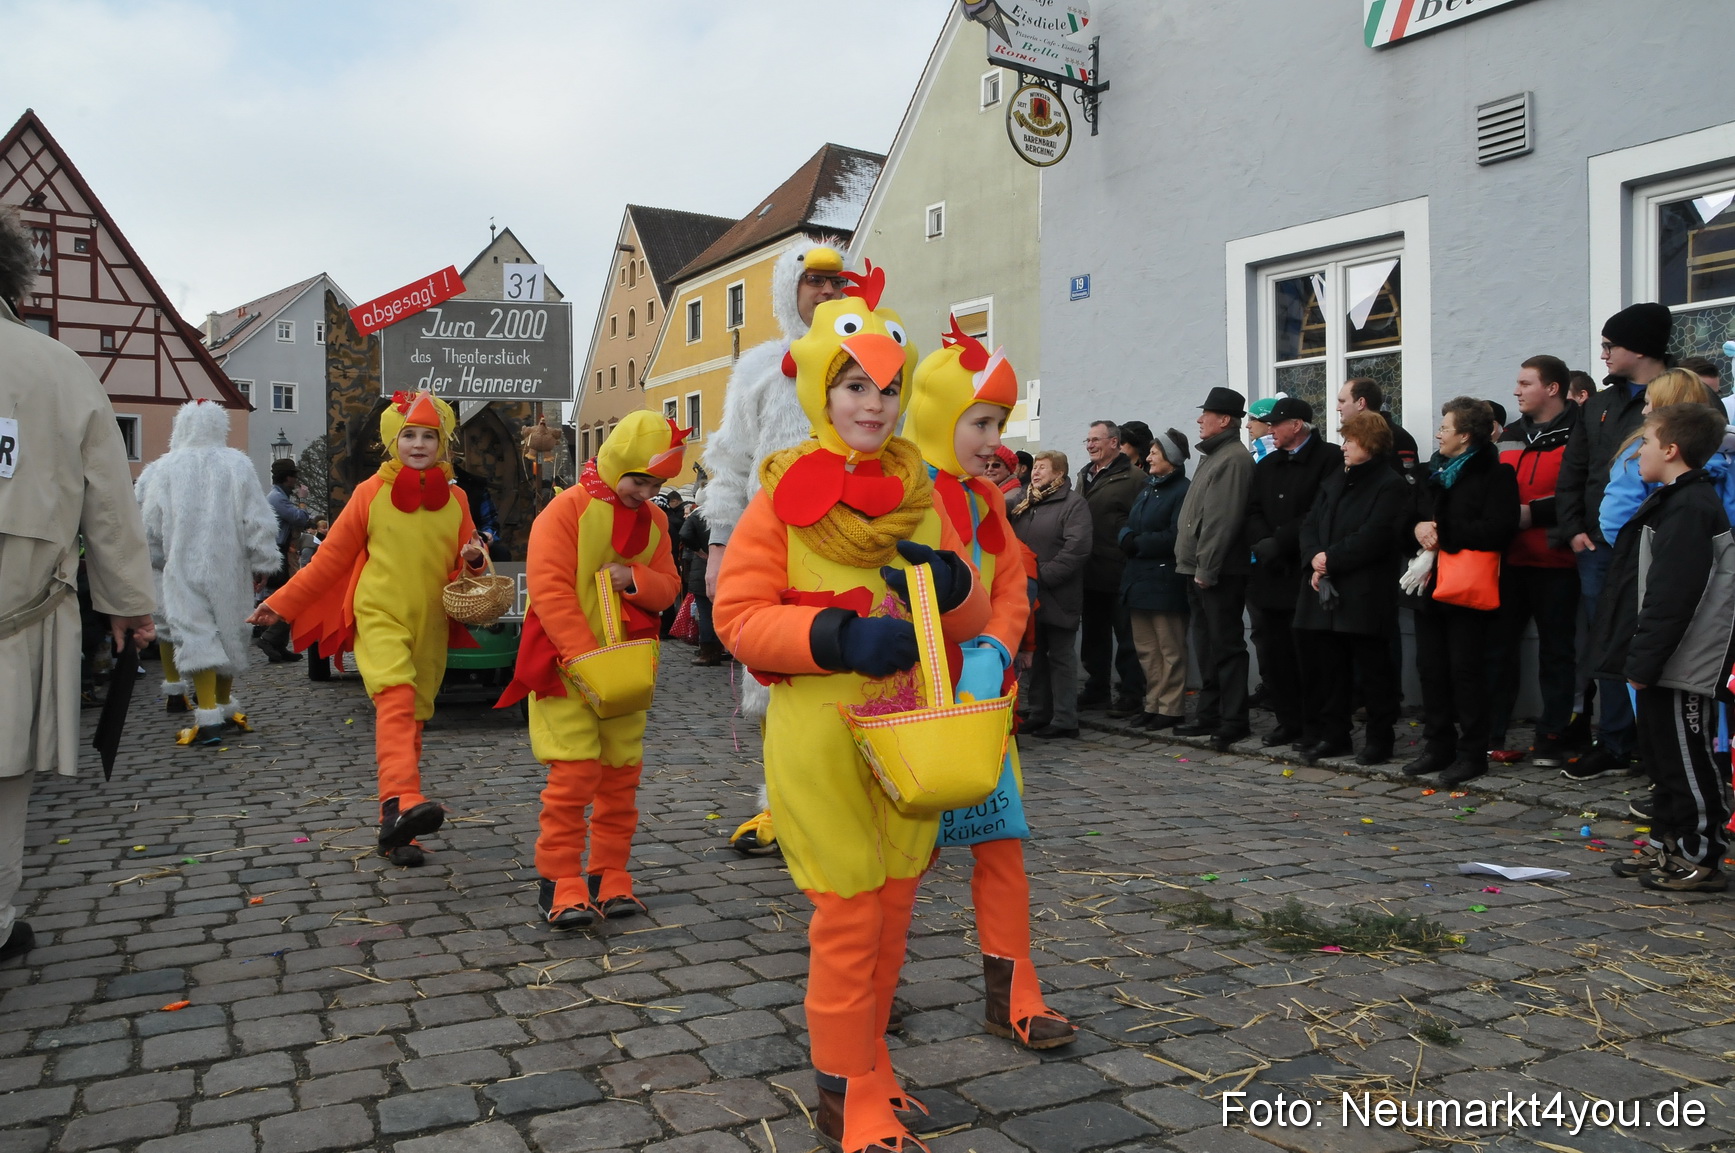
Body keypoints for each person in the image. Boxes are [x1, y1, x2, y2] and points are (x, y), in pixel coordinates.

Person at [711, 281, 990, 1152]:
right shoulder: (779, 498)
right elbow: (738, 617)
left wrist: (952, 589)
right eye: (854, 387)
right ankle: (842, 1098)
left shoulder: (923, 493)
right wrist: (835, 635)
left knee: (897, 906)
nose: (874, 405)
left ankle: (873, 1066)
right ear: (821, 393)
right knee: (847, 912)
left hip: (909, 732)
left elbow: (971, 615)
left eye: (886, 388)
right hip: (821, 736)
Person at [904, 319, 1075, 1050]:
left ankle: (1014, 996)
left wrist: (998, 648)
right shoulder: (899, 493)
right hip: (907, 702)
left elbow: (1010, 584)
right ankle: (868, 986)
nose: (991, 436)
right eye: (978, 420)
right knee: (901, 858)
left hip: (981, 697)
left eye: (998, 422)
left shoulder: (986, 501)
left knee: (999, 844)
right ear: (942, 417)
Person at [0, 207, 156, 966]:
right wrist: (126, 603)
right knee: (2, 769)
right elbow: (109, 502)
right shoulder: (54, 367)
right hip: (16, 615)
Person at [247, 392, 489, 867]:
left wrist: (476, 558)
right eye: (409, 436)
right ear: (391, 441)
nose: (418, 445)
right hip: (379, 612)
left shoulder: (457, 497)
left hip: (432, 621)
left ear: (442, 444)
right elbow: (331, 558)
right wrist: (282, 604)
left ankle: (396, 828)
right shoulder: (369, 493)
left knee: (413, 716)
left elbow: (473, 562)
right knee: (395, 698)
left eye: (428, 436)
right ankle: (405, 799)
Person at [499, 411, 684, 927]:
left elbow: (670, 587)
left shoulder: (659, 521)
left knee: (621, 776)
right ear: (614, 461)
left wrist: (636, 578)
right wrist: (583, 657)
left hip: (626, 669)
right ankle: (559, 879)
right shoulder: (566, 511)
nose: (645, 492)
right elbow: (551, 590)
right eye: (638, 479)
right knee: (575, 774)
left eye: (656, 484)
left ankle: (609, 875)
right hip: (564, 665)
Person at [702, 238, 851, 856]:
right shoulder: (761, 368)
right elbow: (732, 462)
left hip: (850, 546)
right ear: (787, 290)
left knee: (851, 675)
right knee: (771, 686)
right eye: (813, 282)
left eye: (835, 284)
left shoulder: (866, 362)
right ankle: (779, 805)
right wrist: (719, 545)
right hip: (773, 547)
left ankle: (851, 801)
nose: (826, 292)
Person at [1592, 403, 1734, 892]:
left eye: (1646, 444)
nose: (1639, 453)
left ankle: (1703, 853)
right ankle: (1669, 840)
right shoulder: (1674, 500)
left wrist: (1644, 661)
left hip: (1682, 661)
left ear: (1671, 450)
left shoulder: (1692, 507)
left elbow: (1674, 595)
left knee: (1687, 758)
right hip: (1661, 657)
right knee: (1660, 755)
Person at [1555, 302, 1673, 779]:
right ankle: (1616, 740)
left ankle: (1661, 744)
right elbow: (1574, 470)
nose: (1602, 354)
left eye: (1611, 345)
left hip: (1662, 544)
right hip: (1601, 547)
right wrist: (1574, 529)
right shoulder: (1599, 405)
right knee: (1608, 641)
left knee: (1660, 639)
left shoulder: (1681, 397)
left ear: (1639, 348)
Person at [135, 400, 279, 746]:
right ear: (221, 427)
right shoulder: (237, 464)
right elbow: (257, 518)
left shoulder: (166, 468)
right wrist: (262, 562)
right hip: (230, 565)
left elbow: (151, 523)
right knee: (231, 632)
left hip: (182, 565)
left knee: (195, 635)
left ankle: (208, 716)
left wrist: (157, 559)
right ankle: (226, 706)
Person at [1403, 398, 1520, 786]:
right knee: (1431, 670)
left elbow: (1498, 530)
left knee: (1466, 672)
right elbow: (1411, 516)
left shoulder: (1495, 475)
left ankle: (1472, 753)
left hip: (1468, 589)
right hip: (1429, 586)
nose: (1438, 434)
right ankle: (1438, 746)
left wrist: (1445, 534)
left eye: (1445, 428)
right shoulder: (1432, 472)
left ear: (1465, 436)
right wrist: (1419, 529)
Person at [1294, 412, 1408, 765]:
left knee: (1374, 672)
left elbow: (1376, 535)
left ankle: (1379, 739)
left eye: (1350, 441)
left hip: (1365, 592)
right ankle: (1335, 734)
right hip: (1326, 589)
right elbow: (1311, 523)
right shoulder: (1335, 480)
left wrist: (1330, 559)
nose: (1343, 447)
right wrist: (1314, 557)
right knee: (1331, 670)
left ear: (1370, 444)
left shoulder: (1390, 484)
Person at [1485, 355, 1580, 767]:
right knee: (1498, 650)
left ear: (1552, 388)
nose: (1516, 391)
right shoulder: (1508, 434)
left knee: (1557, 653)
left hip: (1558, 561)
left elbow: (1587, 490)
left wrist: (1534, 514)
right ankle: (1491, 734)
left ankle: (1552, 735)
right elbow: (1494, 486)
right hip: (1510, 560)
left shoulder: (1581, 431)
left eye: (1525, 383)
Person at [1243, 397, 1341, 750]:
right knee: (1275, 652)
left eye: (1275, 424)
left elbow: (1321, 511)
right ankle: (1288, 721)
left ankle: (1316, 725)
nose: (1270, 429)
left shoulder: (1328, 459)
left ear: (1296, 425)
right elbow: (1252, 508)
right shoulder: (1268, 465)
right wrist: (1262, 540)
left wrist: (1281, 541)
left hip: (1304, 572)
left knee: (1310, 656)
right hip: (1269, 572)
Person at [1174, 387, 1256, 749]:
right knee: (1207, 647)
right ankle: (1209, 715)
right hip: (1196, 568)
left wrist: (1206, 568)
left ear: (1224, 420)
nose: (1199, 420)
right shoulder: (1213, 456)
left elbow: (1222, 521)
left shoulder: (1233, 458)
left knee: (1225, 647)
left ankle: (1234, 719)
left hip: (1217, 571)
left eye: (1205, 414)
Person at [1010, 451, 1092, 739]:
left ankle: (1065, 719)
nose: (1036, 473)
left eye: (1043, 468)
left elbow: (1077, 548)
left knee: (1060, 656)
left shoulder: (1073, 504)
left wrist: (1040, 575)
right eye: (1035, 468)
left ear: (1058, 473)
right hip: (1028, 593)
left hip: (1059, 593)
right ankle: (1040, 712)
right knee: (1035, 657)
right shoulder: (1024, 501)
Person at [1119, 428, 1191, 730]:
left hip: (1164, 580)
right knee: (1147, 649)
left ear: (1170, 459)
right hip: (1139, 579)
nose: (1147, 457)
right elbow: (1129, 523)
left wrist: (1137, 543)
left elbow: (1176, 536)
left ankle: (1171, 707)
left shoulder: (1182, 490)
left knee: (1169, 649)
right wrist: (1125, 536)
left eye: (1154, 453)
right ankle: (1153, 703)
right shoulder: (1150, 487)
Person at [1077, 420, 1144, 714]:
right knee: (1094, 636)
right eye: (1088, 440)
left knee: (1127, 637)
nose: (1090, 445)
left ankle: (1131, 694)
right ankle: (1097, 688)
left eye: (1096, 440)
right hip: (1089, 569)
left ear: (1114, 443)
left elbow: (1141, 521)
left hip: (1120, 569)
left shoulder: (1133, 478)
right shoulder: (1084, 475)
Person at [259, 458, 313, 661]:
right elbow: (301, 518)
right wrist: (303, 500)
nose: (296, 481)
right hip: (280, 552)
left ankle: (277, 644)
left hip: (283, 550)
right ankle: (270, 638)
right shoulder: (277, 499)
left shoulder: (277, 496)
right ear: (287, 477)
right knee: (290, 596)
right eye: (294, 477)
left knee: (288, 595)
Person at [1337, 378, 1419, 477]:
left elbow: (1405, 482)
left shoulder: (1398, 437)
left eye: (1342, 401)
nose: (1338, 408)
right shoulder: (1354, 432)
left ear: (1360, 403)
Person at [680, 498, 725, 666]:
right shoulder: (730, 513)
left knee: (706, 614)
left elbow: (684, 534)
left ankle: (708, 653)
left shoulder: (698, 514)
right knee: (723, 611)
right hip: (728, 565)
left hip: (704, 567)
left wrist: (699, 551)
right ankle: (725, 648)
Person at [1247, 396, 1279, 461]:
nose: (1247, 426)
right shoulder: (1252, 457)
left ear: (1269, 424)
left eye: (1253, 419)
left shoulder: (1283, 458)